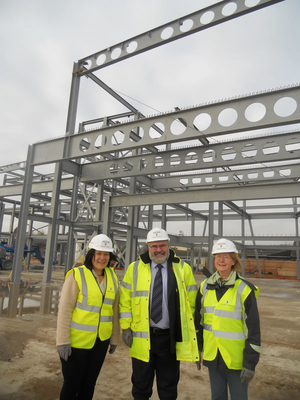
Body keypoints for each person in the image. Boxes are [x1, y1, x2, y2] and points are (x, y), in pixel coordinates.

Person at [119, 227, 199, 400]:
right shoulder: (134, 269)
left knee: (168, 386)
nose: (158, 250)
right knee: (140, 385)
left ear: (168, 246)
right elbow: (125, 301)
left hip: (169, 338)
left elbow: (191, 303)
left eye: (162, 245)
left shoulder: (183, 268)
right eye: (154, 246)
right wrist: (126, 328)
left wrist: (191, 333)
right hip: (142, 337)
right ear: (148, 247)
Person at [195, 238, 261, 400]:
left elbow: (253, 330)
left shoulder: (244, 289)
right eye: (217, 256)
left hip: (236, 360)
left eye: (226, 256)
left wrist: (250, 363)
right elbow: (199, 321)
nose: (221, 260)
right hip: (213, 355)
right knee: (217, 396)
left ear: (233, 260)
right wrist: (197, 349)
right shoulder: (205, 286)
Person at [56, 234, 120, 400]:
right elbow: (64, 310)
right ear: (91, 254)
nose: (102, 258)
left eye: (106, 254)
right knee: (71, 384)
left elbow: (113, 311)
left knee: (89, 383)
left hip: (100, 342)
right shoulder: (77, 274)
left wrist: (114, 338)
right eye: (98, 253)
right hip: (76, 343)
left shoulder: (112, 277)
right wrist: (62, 341)